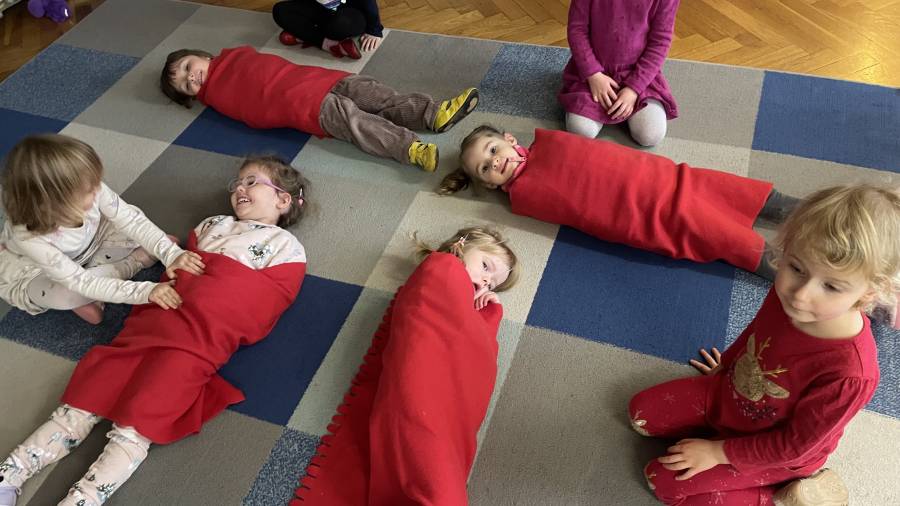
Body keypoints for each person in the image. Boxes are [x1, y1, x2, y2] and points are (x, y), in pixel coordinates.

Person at [0, 156, 310, 506]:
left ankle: (82, 500)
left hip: (197, 342)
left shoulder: (286, 247)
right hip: (152, 324)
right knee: (82, 403)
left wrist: (210, 289)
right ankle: (10, 474)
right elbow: (178, 265)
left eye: (251, 182)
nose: (239, 187)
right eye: (236, 183)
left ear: (283, 199)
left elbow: (265, 304)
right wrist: (184, 278)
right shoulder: (213, 224)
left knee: (135, 428)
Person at [629, 184, 900, 505]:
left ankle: (786, 495)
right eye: (796, 267)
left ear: (868, 294)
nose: (801, 294)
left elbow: (795, 446)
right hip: (733, 397)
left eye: (831, 286)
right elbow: (754, 334)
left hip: (776, 453)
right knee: (640, 414)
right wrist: (726, 366)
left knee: (662, 482)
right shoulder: (787, 297)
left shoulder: (851, 374)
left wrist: (718, 451)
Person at [294, 227, 518, 505]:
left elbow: (475, 353)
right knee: (426, 449)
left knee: (444, 449)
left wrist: (486, 316)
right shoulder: (442, 268)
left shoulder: (470, 305)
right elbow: (428, 312)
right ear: (460, 246)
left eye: (492, 284)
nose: (485, 281)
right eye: (485, 266)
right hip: (421, 386)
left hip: (451, 398)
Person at [440, 125, 801, 280]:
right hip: (644, 212)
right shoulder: (522, 195)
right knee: (717, 233)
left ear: (508, 139)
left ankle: (804, 210)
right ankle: (796, 271)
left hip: (661, 177)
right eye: (485, 168)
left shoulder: (549, 142)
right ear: (487, 184)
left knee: (724, 189)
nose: (495, 162)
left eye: (493, 150)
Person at [160, 46, 480, 172]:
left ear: (202, 55)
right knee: (356, 123)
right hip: (301, 104)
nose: (192, 77)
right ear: (193, 98)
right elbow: (252, 109)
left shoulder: (236, 54)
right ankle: (408, 148)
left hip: (319, 79)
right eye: (187, 86)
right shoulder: (216, 95)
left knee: (377, 95)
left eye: (188, 67)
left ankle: (433, 114)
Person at [0, 134, 203, 325]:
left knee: (133, 219)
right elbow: (80, 282)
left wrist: (170, 253)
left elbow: (132, 221)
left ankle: (94, 293)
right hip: (39, 268)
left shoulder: (91, 187)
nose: (98, 189)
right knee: (64, 294)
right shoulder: (29, 237)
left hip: (94, 238)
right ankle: (135, 262)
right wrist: (145, 292)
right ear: (58, 205)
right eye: (89, 190)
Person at [559, 0, 679, 146]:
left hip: (639, 74)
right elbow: (577, 30)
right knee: (580, 130)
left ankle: (623, 111)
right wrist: (593, 74)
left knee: (651, 135)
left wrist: (634, 88)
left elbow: (660, 42)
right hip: (594, 74)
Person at [273, 0, 384, 59]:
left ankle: (305, 35)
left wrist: (374, 30)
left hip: (349, 12)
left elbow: (368, 2)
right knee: (280, 10)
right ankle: (327, 44)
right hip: (321, 10)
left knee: (340, 25)